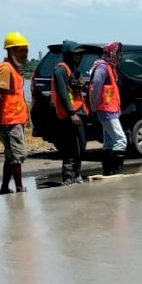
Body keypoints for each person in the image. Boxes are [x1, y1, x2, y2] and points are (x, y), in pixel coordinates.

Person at [0, 32, 31, 195]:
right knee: (17, 155)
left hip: (15, 119)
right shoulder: (6, 69)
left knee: (11, 156)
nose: (25, 55)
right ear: (11, 51)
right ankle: (19, 188)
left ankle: (4, 188)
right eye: (22, 51)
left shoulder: (14, 70)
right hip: (8, 121)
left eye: (26, 51)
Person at [51, 40, 88, 185]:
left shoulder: (73, 70)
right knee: (70, 147)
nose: (78, 58)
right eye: (75, 55)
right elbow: (62, 93)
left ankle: (77, 174)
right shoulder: (60, 70)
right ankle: (68, 177)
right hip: (67, 115)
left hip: (78, 112)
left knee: (81, 144)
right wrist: (72, 113)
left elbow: (76, 90)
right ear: (68, 55)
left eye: (80, 55)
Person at [90, 41, 127, 176]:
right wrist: (93, 108)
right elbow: (95, 88)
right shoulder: (103, 68)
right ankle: (116, 172)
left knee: (109, 142)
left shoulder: (110, 68)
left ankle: (108, 172)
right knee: (121, 140)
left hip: (110, 110)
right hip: (106, 110)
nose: (120, 57)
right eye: (118, 54)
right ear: (111, 53)